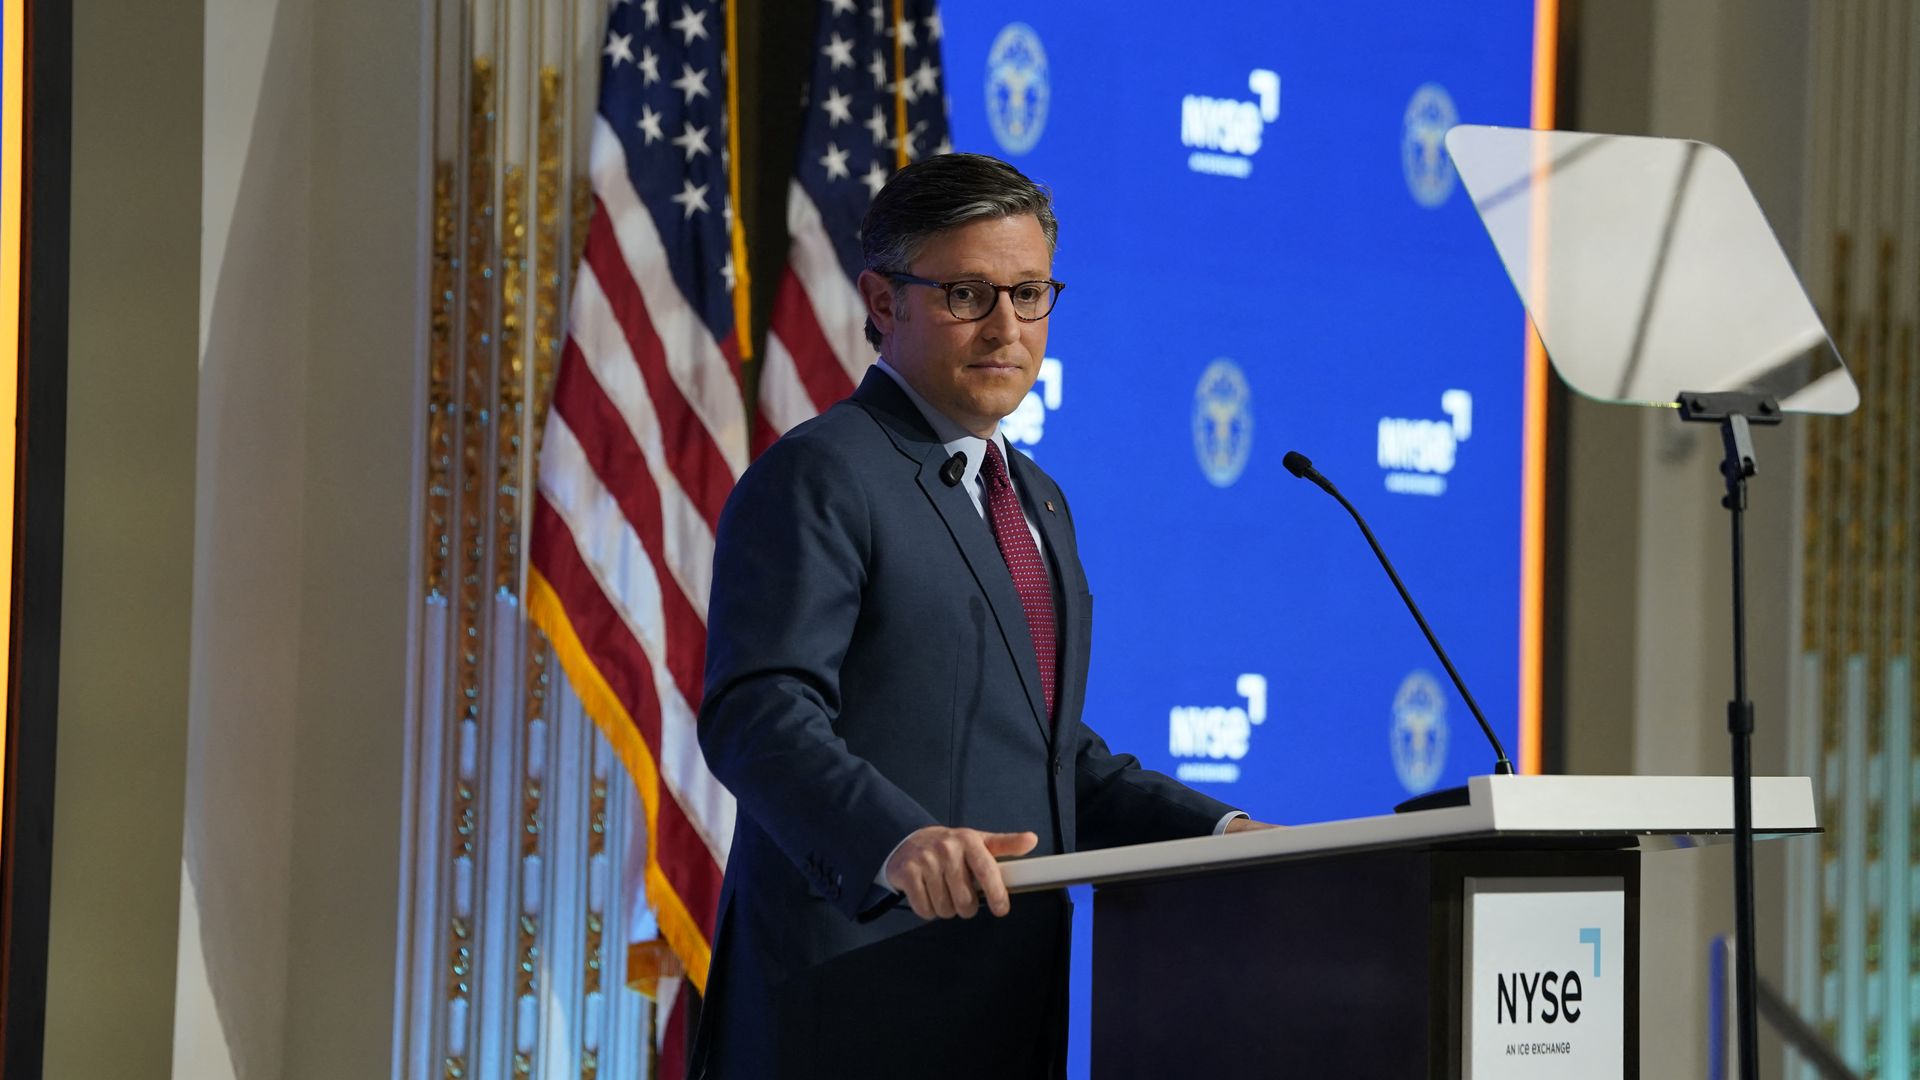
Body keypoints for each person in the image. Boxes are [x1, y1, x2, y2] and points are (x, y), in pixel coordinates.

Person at [692, 152, 1270, 1079]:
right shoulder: (824, 475)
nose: (1008, 327)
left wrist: (1221, 835)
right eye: (969, 293)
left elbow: (1047, 757)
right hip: (851, 1014)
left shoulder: (1035, 498)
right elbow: (757, 716)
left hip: (1006, 1008)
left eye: (1030, 293)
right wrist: (895, 840)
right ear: (882, 302)